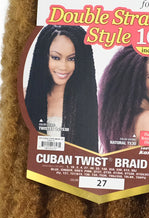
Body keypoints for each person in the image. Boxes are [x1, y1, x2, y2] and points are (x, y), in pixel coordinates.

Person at [24, 24, 98, 152]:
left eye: (72, 58)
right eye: (56, 57)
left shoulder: (89, 104)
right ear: (43, 57)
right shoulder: (26, 96)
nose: (63, 67)